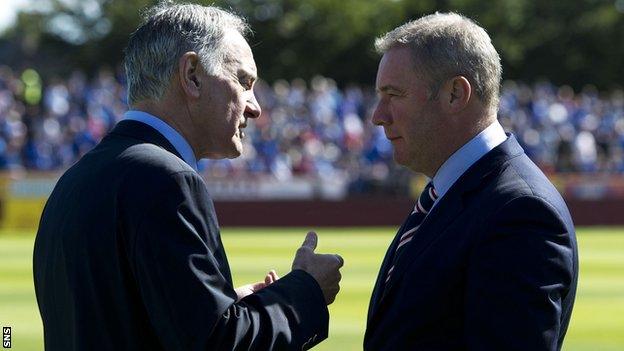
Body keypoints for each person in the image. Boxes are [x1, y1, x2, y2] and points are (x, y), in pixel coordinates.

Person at [33, 3, 343, 350]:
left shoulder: (74, 180)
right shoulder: (166, 179)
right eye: (243, 81)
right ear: (192, 75)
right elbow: (220, 344)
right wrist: (305, 291)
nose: (255, 107)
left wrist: (225, 303)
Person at [365, 13, 578, 350]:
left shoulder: (520, 212)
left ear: (455, 94)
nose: (378, 115)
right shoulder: (449, 193)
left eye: (394, 95)